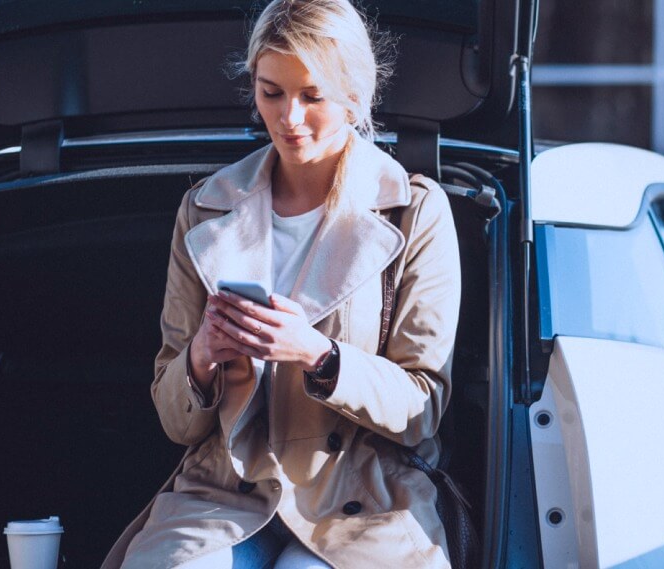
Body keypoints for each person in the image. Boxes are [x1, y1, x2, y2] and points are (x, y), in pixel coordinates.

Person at [102, 0, 461, 567]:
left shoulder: (412, 211)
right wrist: (200, 357)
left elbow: (423, 407)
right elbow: (175, 420)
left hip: (365, 502)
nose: (290, 118)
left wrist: (318, 354)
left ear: (353, 95)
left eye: (312, 96)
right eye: (272, 93)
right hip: (221, 497)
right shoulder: (204, 210)